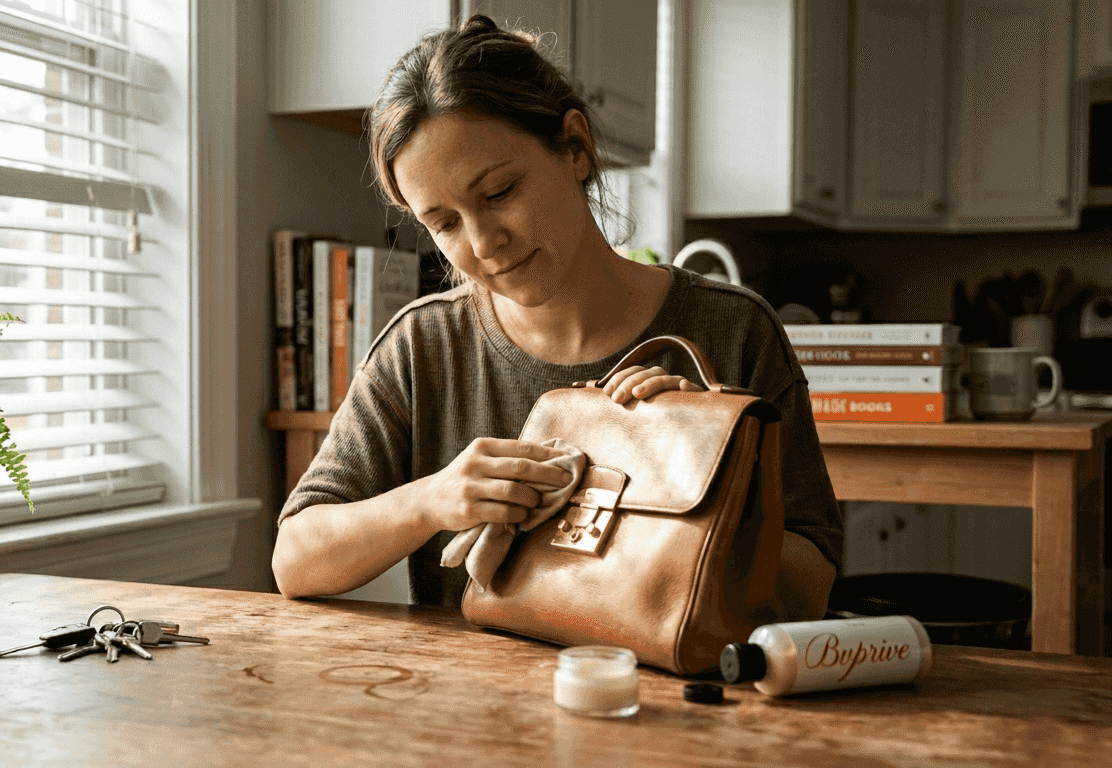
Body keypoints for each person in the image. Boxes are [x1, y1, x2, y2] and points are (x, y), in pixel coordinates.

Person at [272, 15, 842, 619]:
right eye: (443, 223)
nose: (483, 242)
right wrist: (436, 499)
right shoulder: (422, 346)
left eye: (499, 193)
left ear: (575, 147)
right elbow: (295, 560)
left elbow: (811, 584)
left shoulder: (735, 331)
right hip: (469, 707)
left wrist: (699, 449)